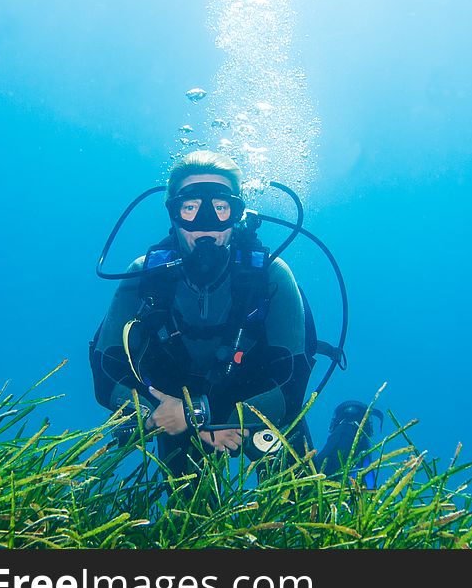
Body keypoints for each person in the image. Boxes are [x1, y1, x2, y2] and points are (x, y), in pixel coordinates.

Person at [89, 150, 314, 478]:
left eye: (220, 208)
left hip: (257, 405)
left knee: (303, 499)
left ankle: (350, 425)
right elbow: (104, 369)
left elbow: (294, 383)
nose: (206, 225)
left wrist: (204, 414)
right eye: (191, 208)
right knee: (189, 519)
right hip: (173, 410)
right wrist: (161, 414)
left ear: (236, 214)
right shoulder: (145, 277)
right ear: (173, 214)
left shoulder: (271, 275)